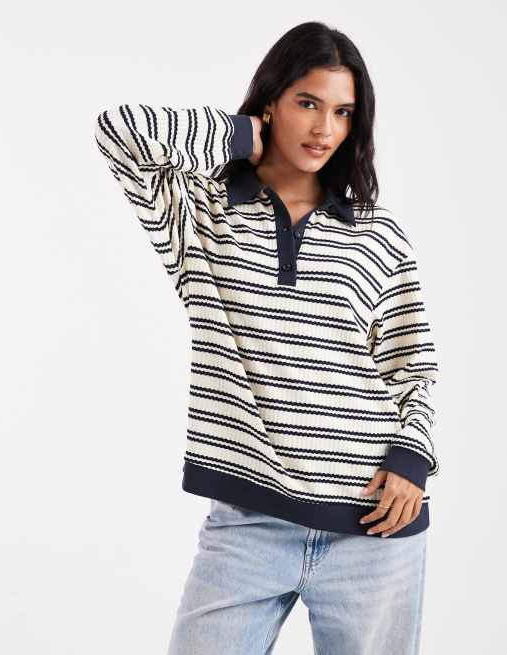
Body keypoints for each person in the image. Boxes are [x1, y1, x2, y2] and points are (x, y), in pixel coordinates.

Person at [94, 20, 439, 655]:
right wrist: (238, 134)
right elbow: (119, 130)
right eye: (307, 103)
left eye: (342, 112)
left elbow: (410, 363)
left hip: (373, 524)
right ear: (271, 100)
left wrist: (411, 460)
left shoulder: (376, 234)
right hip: (248, 524)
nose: (324, 129)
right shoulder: (201, 211)